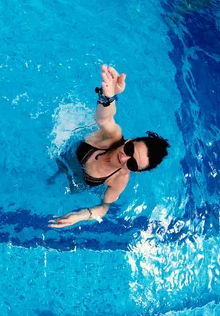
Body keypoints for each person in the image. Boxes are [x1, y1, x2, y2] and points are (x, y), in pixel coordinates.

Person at [48, 65, 170, 228]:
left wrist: (80, 215)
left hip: (78, 182)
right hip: (65, 156)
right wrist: (108, 98)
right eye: (129, 149)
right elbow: (104, 119)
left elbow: (103, 208)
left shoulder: (119, 179)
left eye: (132, 163)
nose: (124, 157)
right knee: (52, 174)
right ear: (130, 140)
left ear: (136, 171)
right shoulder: (112, 137)